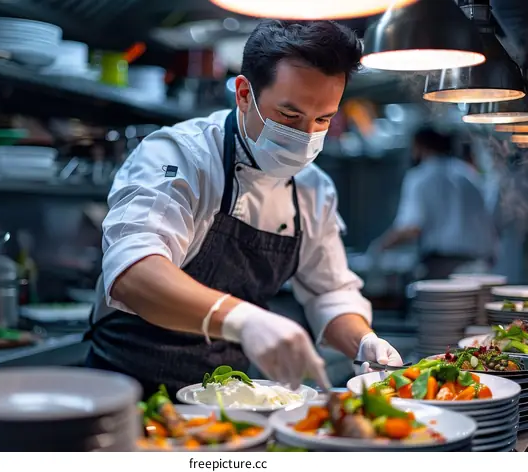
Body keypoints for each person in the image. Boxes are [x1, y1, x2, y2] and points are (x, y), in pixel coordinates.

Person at [85, 19, 402, 398]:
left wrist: (363, 341)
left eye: (323, 119)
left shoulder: (314, 189)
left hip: (228, 400)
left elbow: (329, 293)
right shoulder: (180, 155)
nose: (305, 137)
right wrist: (244, 319)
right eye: (289, 116)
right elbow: (134, 273)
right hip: (129, 393)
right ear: (243, 94)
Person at [378, 125, 496, 279]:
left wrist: (380, 246)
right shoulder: (467, 173)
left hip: (443, 265)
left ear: (420, 147)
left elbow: (411, 227)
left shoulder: (419, 177)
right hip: (480, 264)